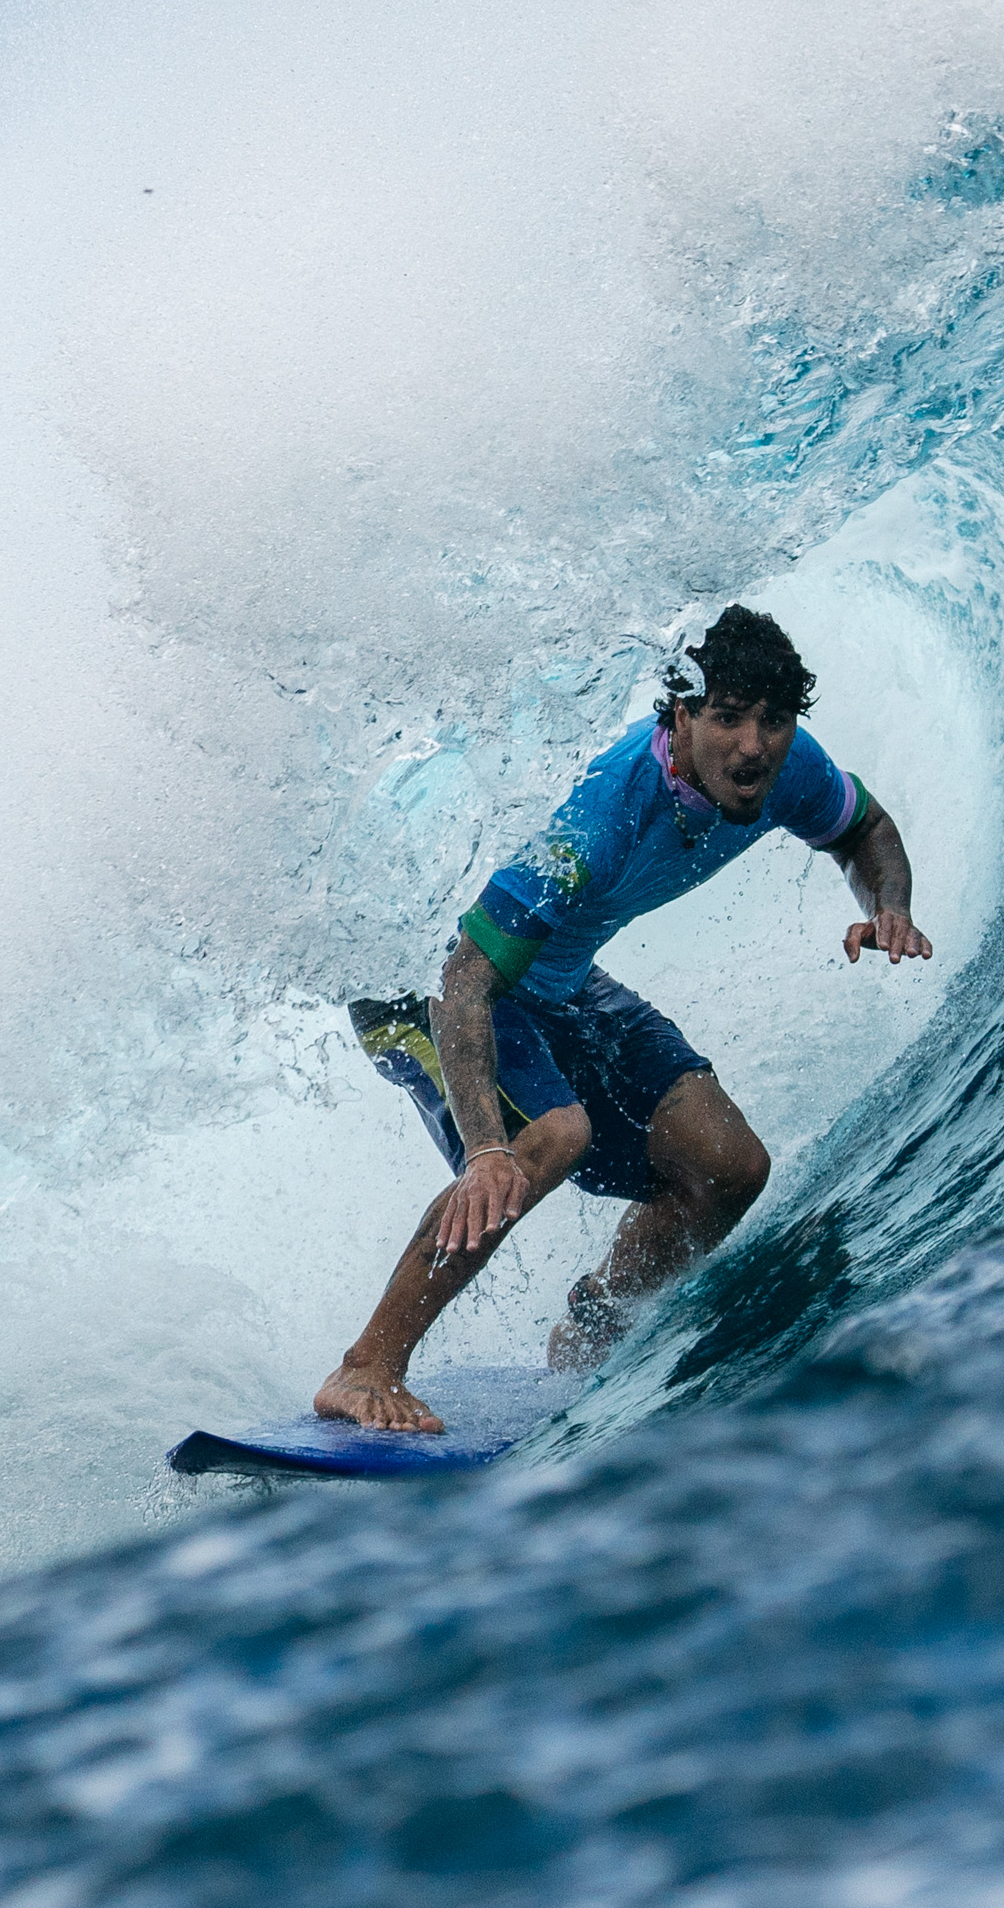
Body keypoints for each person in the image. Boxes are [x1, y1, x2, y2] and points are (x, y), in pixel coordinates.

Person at [315, 604, 932, 1432]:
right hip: (422, 984)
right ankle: (365, 1366)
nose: (753, 745)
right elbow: (461, 984)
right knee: (551, 1135)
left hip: (555, 983)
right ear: (681, 716)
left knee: (730, 1164)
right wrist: (489, 1148)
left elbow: (867, 829)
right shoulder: (606, 815)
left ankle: (592, 1325)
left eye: (774, 721)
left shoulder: (786, 770)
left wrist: (888, 905)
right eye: (727, 718)